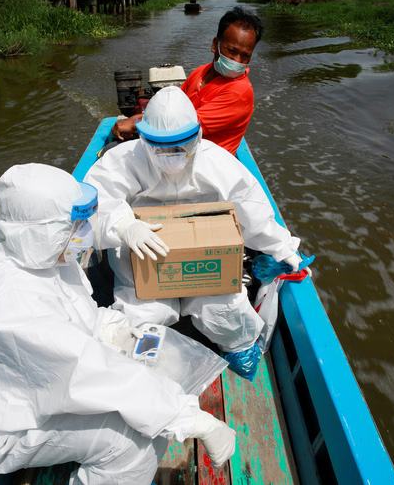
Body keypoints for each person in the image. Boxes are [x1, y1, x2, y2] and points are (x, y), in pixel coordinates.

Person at [0, 163, 236, 484]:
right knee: (132, 443)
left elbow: (83, 318)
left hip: (57, 383)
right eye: (76, 226)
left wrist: (120, 332)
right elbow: (86, 372)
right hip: (14, 423)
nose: (87, 231)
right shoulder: (13, 306)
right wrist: (191, 419)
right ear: (44, 233)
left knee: (157, 358)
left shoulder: (44, 256)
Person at [84, 86, 305, 380]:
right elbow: (96, 202)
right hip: (142, 252)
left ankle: (240, 351)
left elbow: (251, 209)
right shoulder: (122, 161)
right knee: (143, 315)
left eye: (181, 146)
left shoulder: (216, 162)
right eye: (160, 147)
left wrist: (282, 248)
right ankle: (139, 371)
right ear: (144, 139)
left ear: (198, 136)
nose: (172, 156)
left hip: (204, 256)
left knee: (224, 307)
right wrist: (125, 225)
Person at [111, 6, 262, 155]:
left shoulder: (239, 92)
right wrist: (135, 120)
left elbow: (181, 124)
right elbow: (173, 108)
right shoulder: (201, 72)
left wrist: (134, 123)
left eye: (245, 55)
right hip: (181, 151)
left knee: (112, 155)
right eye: (232, 51)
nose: (237, 61)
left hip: (206, 164)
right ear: (215, 45)